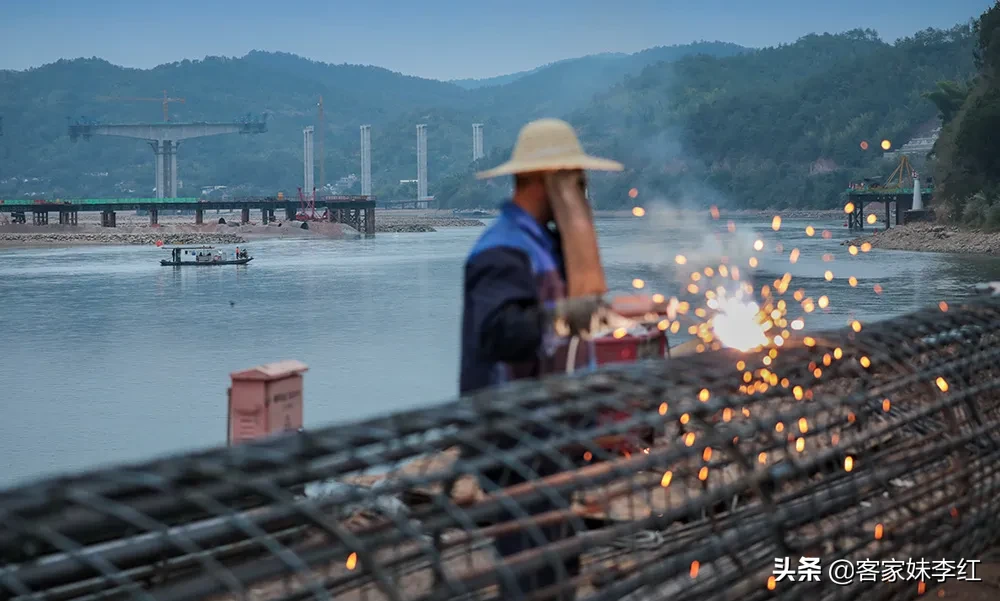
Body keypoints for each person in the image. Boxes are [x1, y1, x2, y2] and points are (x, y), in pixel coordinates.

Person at [459, 118, 624, 601]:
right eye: (573, 180)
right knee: (530, 569)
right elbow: (501, 334)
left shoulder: (542, 244)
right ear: (542, 179)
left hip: (549, 433)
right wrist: (581, 314)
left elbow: (571, 321)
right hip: (514, 436)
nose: (579, 191)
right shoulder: (502, 251)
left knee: (559, 561)